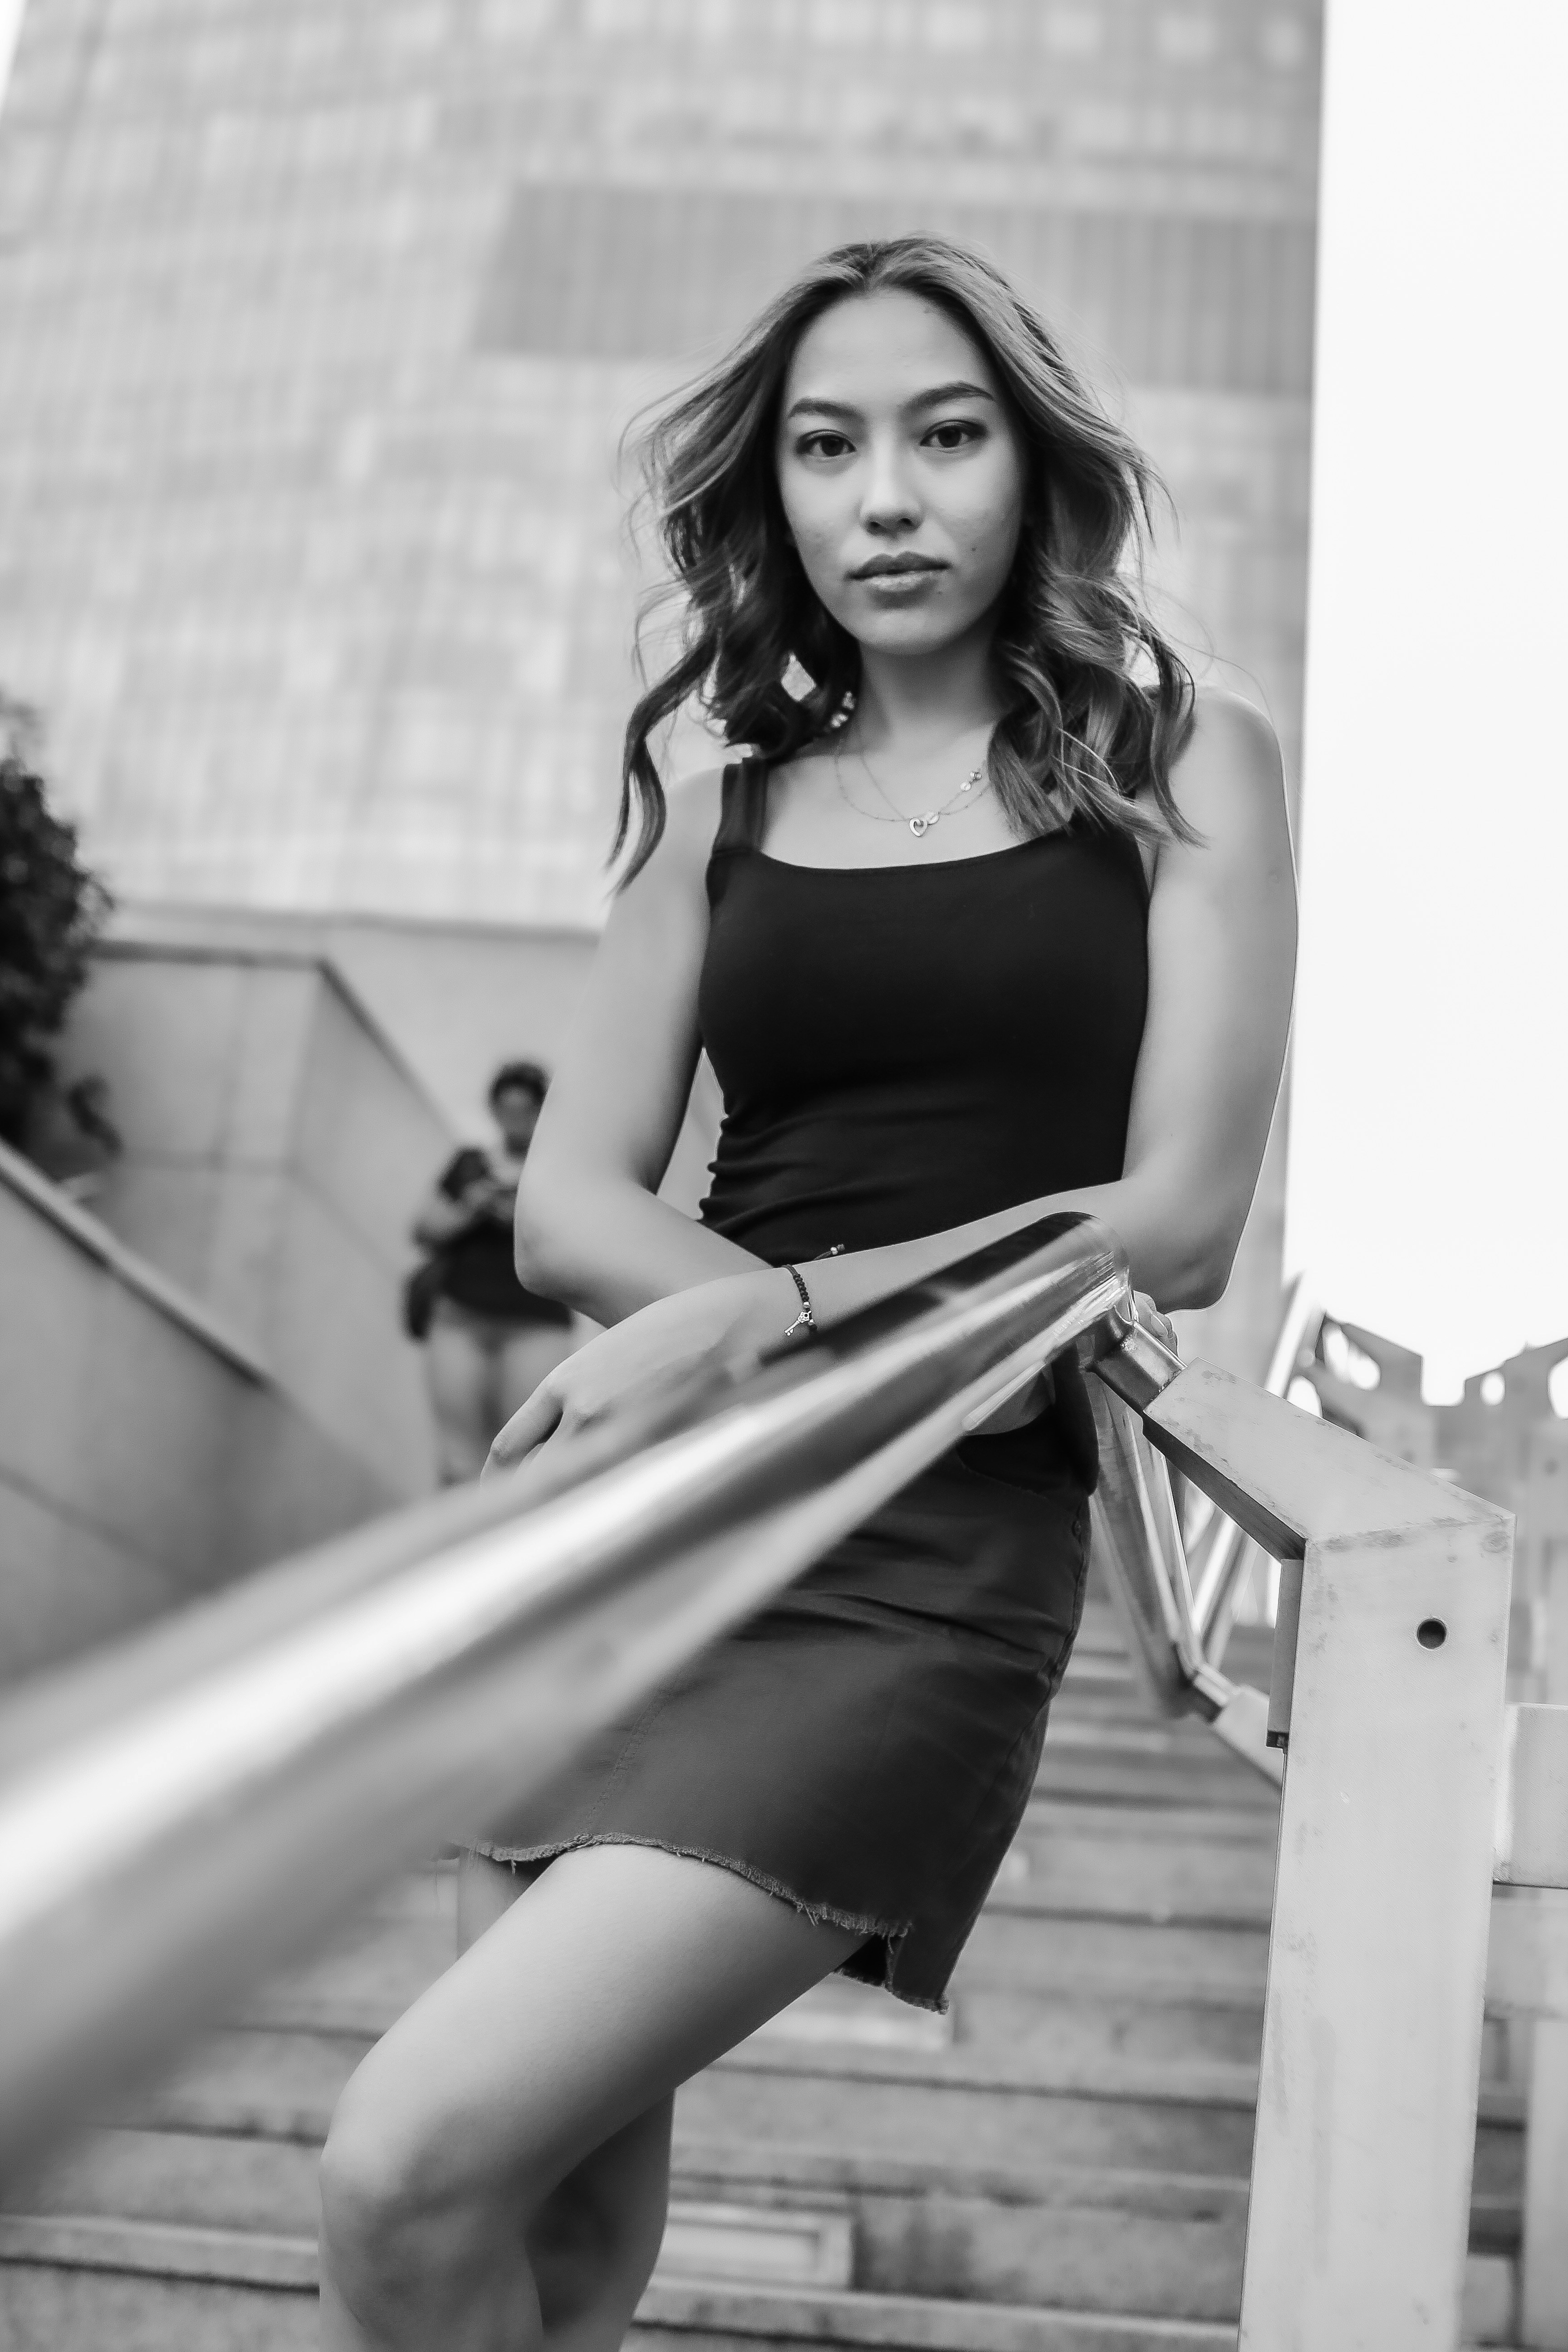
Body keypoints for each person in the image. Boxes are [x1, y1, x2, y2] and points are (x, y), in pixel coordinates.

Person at [319, 235, 1296, 2350]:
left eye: (944, 437)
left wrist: (772, 1311)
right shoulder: (712, 807)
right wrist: (723, 1324)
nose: (884, 499)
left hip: (926, 1557)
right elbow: (572, 1207)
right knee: (546, 2229)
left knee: (401, 2164)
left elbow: (1182, 1216)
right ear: (767, 496)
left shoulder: (1180, 767)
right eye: (824, 447)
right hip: (644, 1521)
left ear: (1029, 468)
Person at [410, 1061, 577, 1485]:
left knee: (520, 1452)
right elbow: (425, 1229)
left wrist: (524, 1208)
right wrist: (475, 1205)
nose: (515, 1120)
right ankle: (456, 1544)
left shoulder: (562, 1167)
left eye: (526, 1110)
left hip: (535, 1321)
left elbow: (580, 1242)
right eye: (506, 1109)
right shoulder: (472, 1164)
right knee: (458, 1457)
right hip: (461, 1317)